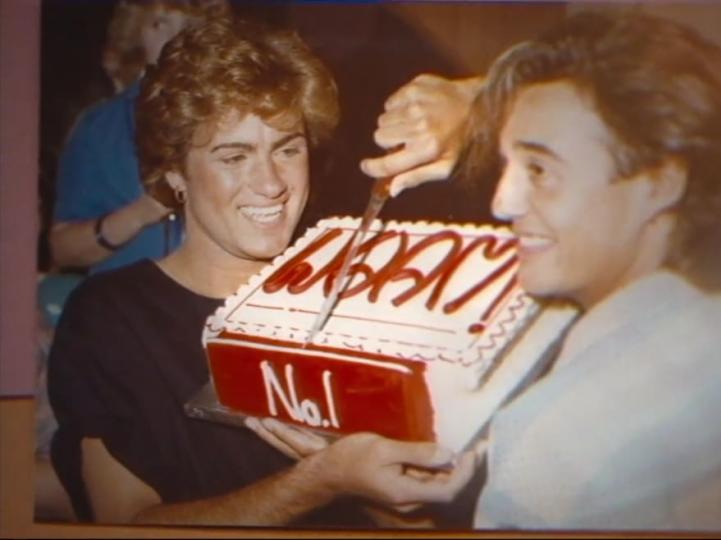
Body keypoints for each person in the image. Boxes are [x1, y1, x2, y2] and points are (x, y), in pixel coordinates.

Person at [48, 18, 477, 527]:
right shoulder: (112, 319)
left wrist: (373, 487)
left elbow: (414, 524)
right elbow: (126, 522)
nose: (271, 184)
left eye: (287, 149)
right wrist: (320, 479)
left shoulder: (359, 297)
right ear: (174, 172)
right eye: (235, 155)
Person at [358, 8, 721, 529]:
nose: (503, 202)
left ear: (661, 182)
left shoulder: (552, 449)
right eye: (507, 165)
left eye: (538, 169)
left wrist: (374, 511)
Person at [48, 0, 228, 274]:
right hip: (125, 308)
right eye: (160, 24)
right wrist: (141, 212)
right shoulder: (99, 127)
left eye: (189, 26)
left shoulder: (235, 117)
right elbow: (63, 249)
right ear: (136, 32)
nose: (175, 40)